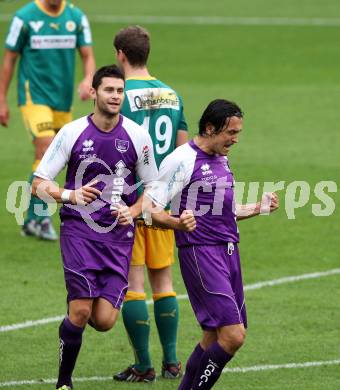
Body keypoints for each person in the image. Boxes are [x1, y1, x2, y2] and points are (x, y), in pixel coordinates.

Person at [31, 64, 194, 390]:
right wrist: (69, 195)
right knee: (80, 311)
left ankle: (80, 305)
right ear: (93, 93)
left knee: (104, 321)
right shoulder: (73, 132)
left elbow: (153, 188)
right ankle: (64, 382)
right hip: (79, 231)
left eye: (119, 91)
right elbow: (38, 183)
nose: (116, 96)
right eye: (109, 90)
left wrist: (134, 210)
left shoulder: (137, 136)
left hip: (119, 237)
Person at [146, 99, 279, 389]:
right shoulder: (182, 159)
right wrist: (177, 223)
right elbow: (149, 210)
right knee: (233, 336)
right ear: (210, 128)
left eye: (238, 132)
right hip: (201, 253)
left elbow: (223, 211)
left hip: (229, 252)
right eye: (230, 132)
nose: (235, 139)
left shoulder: (221, 158)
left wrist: (258, 207)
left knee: (212, 337)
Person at [112, 25, 188, 382]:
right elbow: (183, 150)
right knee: (164, 281)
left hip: (128, 203)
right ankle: (172, 361)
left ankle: (144, 365)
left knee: (133, 284)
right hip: (163, 202)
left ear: (121, 55)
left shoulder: (118, 95)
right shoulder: (173, 96)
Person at [0, 0, 96, 240]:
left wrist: (88, 79)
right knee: (45, 148)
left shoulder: (76, 17)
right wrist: (2, 99)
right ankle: (42, 218)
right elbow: (9, 59)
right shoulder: (24, 18)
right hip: (34, 96)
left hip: (62, 100)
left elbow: (88, 56)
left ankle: (31, 220)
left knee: (53, 157)